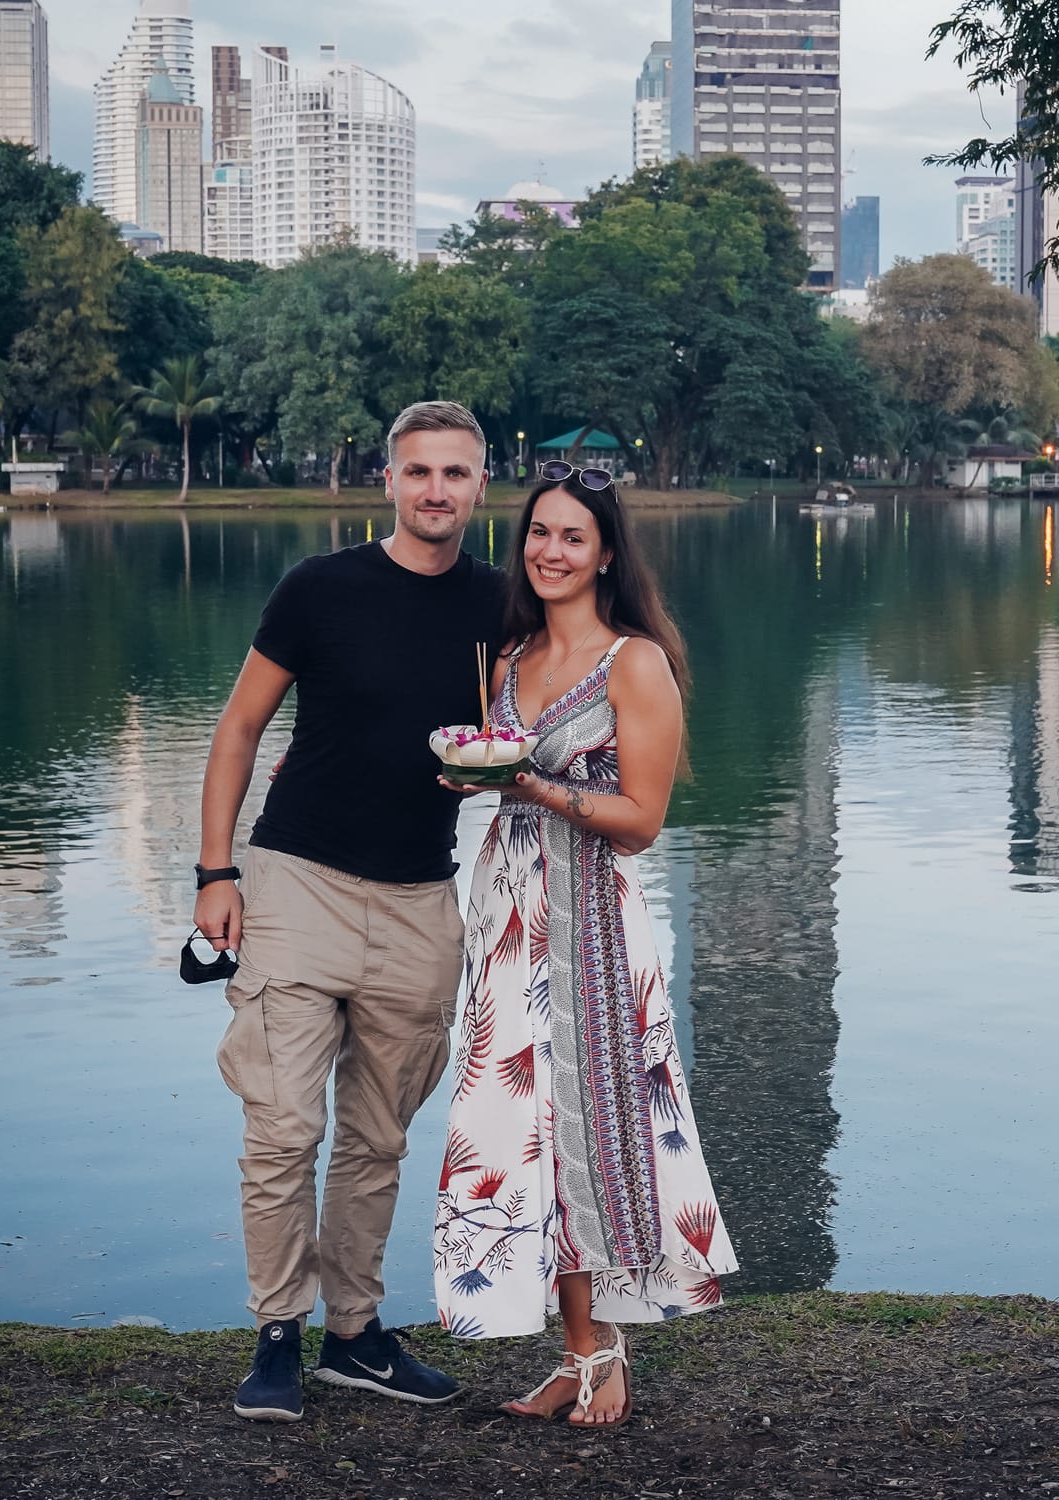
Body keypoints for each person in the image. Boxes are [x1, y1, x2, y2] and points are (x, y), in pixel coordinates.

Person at [196, 400, 505, 1422]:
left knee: (379, 1137)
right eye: (418, 472)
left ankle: (355, 1335)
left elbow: (515, 732)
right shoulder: (319, 589)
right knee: (282, 1130)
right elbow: (240, 730)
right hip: (297, 881)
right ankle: (277, 1333)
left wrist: (491, 776)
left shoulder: (500, 607)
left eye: (455, 474)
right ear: (388, 480)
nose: (435, 491)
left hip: (423, 896)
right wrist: (214, 873)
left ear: (479, 487)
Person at [433, 461, 737, 1428]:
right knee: (528, 1135)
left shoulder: (634, 663)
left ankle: (609, 1351)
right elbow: (499, 767)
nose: (550, 551)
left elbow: (642, 819)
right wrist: (474, 779)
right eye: (538, 533)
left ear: (607, 552)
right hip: (511, 915)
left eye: (572, 536)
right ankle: (575, 1351)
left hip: (596, 921)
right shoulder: (509, 657)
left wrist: (535, 789)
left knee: (598, 1130)